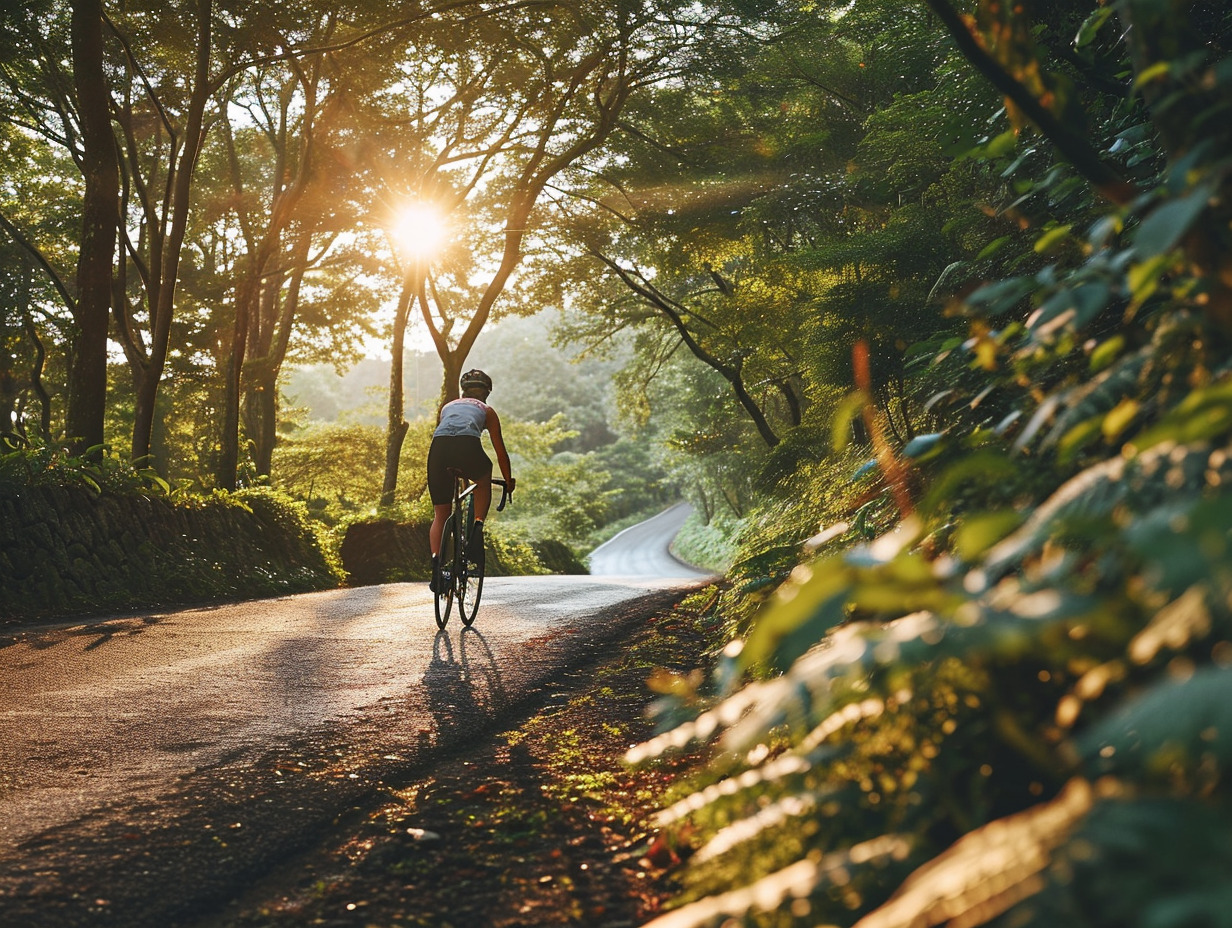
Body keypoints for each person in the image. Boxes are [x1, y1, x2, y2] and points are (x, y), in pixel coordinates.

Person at [426, 369, 515, 591]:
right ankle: (477, 526)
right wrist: (508, 480)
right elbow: (500, 451)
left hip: (438, 451)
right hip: (468, 447)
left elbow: (447, 434)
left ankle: (436, 564)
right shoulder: (487, 410)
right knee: (484, 476)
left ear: (463, 391)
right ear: (486, 392)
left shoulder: (448, 407)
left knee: (440, 513)